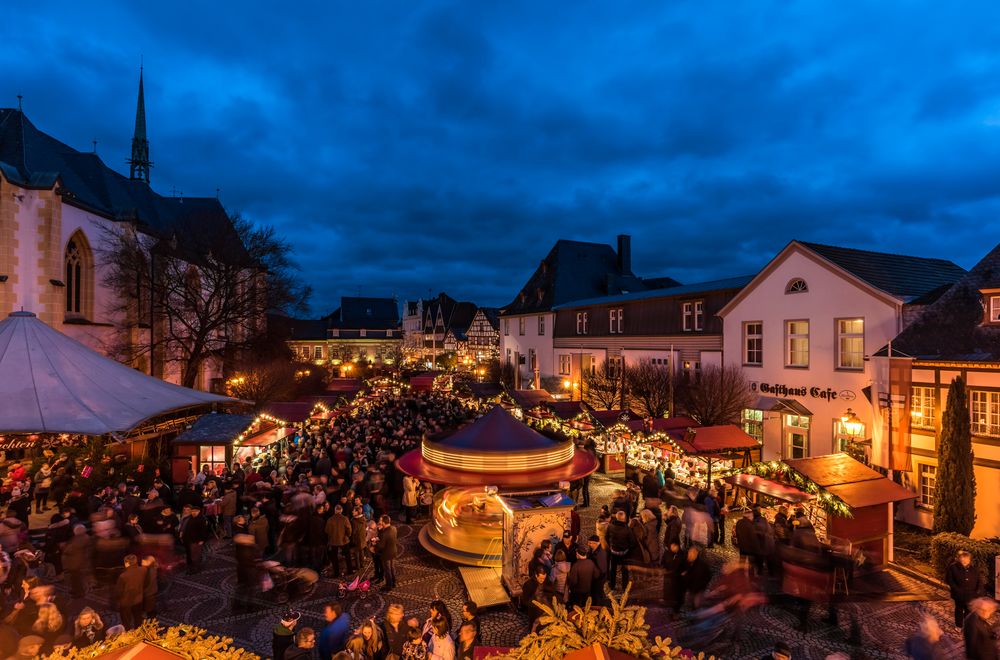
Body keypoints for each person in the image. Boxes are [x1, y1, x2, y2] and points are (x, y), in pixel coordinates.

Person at [946, 550, 984, 628]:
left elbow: (979, 580)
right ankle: (959, 625)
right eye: (963, 560)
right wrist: (956, 589)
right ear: (959, 559)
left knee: (968, 610)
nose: (965, 561)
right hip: (959, 594)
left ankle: (966, 625)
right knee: (959, 610)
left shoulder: (974, 569)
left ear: (969, 560)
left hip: (971, 594)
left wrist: (978, 591)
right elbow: (949, 580)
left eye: (967, 560)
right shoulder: (953, 567)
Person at [114, 554, 146, 630]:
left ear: (127, 563)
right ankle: (138, 632)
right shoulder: (143, 570)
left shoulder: (123, 576)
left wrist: (118, 599)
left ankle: (128, 634)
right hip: (138, 599)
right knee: (138, 618)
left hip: (126, 602)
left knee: (126, 621)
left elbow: (119, 591)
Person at [62, 524, 92, 598]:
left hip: (76, 563)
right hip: (81, 562)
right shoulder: (87, 537)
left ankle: (78, 593)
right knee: (77, 578)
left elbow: (68, 550)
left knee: (76, 579)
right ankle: (76, 590)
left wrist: (64, 547)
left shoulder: (77, 540)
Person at [607, 510, 633, 590]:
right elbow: (632, 542)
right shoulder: (627, 530)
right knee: (625, 571)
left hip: (614, 551)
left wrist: (611, 546)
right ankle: (624, 587)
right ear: (624, 519)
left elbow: (606, 537)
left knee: (613, 569)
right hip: (624, 553)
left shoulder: (610, 526)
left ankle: (612, 585)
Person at [325, 504, 353, 577]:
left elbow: (327, 530)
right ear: (341, 510)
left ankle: (336, 573)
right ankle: (350, 571)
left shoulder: (330, 519)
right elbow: (349, 529)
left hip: (333, 541)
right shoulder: (345, 519)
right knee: (347, 556)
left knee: (334, 558)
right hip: (344, 540)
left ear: (335, 510)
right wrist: (348, 535)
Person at [682, 545, 711, 610]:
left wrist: (702, 586)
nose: (689, 556)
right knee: (692, 603)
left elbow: (708, 576)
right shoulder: (688, 563)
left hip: (698, 590)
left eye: (691, 554)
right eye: (689, 553)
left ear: (696, 554)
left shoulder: (702, 565)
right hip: (692, 589)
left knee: (696, 605)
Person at [661, 540, 685, 616]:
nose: (673, 547)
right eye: (671, 546)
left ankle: (674, 606)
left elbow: (683, 566)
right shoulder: (667, 553)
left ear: (678, 546)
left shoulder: (681, 555)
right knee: (667, 589)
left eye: (674, 546)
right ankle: (667, 601)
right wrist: (663, 568)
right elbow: (662, 562)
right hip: (667, 576)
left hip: (676, 577)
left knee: (675, 591)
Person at [376, 514, 398, 589]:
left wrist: (375, 543)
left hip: (386, 554)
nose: (380, 522)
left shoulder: (384, 533)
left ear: (384, 523)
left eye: (381, 521)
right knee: (392, 568)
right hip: (393, 552)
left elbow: (381, 546)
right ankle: (394, 582)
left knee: (387, 570)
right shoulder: (394, 528)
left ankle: (389, 585)